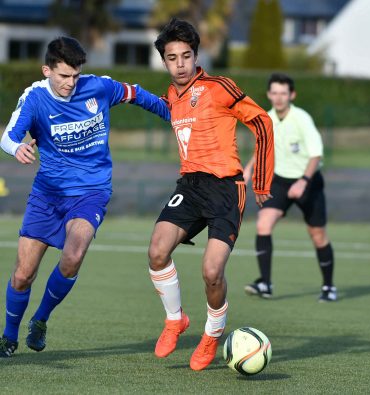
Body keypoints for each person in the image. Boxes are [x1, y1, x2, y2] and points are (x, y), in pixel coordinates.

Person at [0, 36, 170, 358]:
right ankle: (9, 337)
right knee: (23, 274)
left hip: (91, 191)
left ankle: (41, 319)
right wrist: (17, 148)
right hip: (48, 194)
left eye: (76, 75)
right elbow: (8, 135)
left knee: (74, 254)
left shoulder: (99, 87)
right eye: (64, 76)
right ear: (46, 70)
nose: (70, 83)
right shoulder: (35, 98)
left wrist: (175, 117)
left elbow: (137, 94)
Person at [148, 18, 274, 371]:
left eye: (186, 56)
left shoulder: (219, 88)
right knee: (157, 251)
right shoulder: (171, 96)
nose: (180, 64)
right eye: (172, 58)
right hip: (189, 187)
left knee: (211, 271)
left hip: (225, 189)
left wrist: (262, 179)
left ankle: (212, 333)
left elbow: (262, 121)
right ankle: (175, 320)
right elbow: (154, 103)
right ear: (164, 61)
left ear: (196, 56)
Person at [243, 73, 336, 302]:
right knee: (263, 224)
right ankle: (265, 283)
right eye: (274, 92)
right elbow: (262, 148)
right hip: (280, 180)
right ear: (268, 94)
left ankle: (328, 287)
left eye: (283, 93)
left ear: (291, 95)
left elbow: (316, 155)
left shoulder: (302, 118)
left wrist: (303, 181)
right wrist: (248, 170)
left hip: (308, 181)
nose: (278, 97)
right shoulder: (266, 118)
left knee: (318, 235)